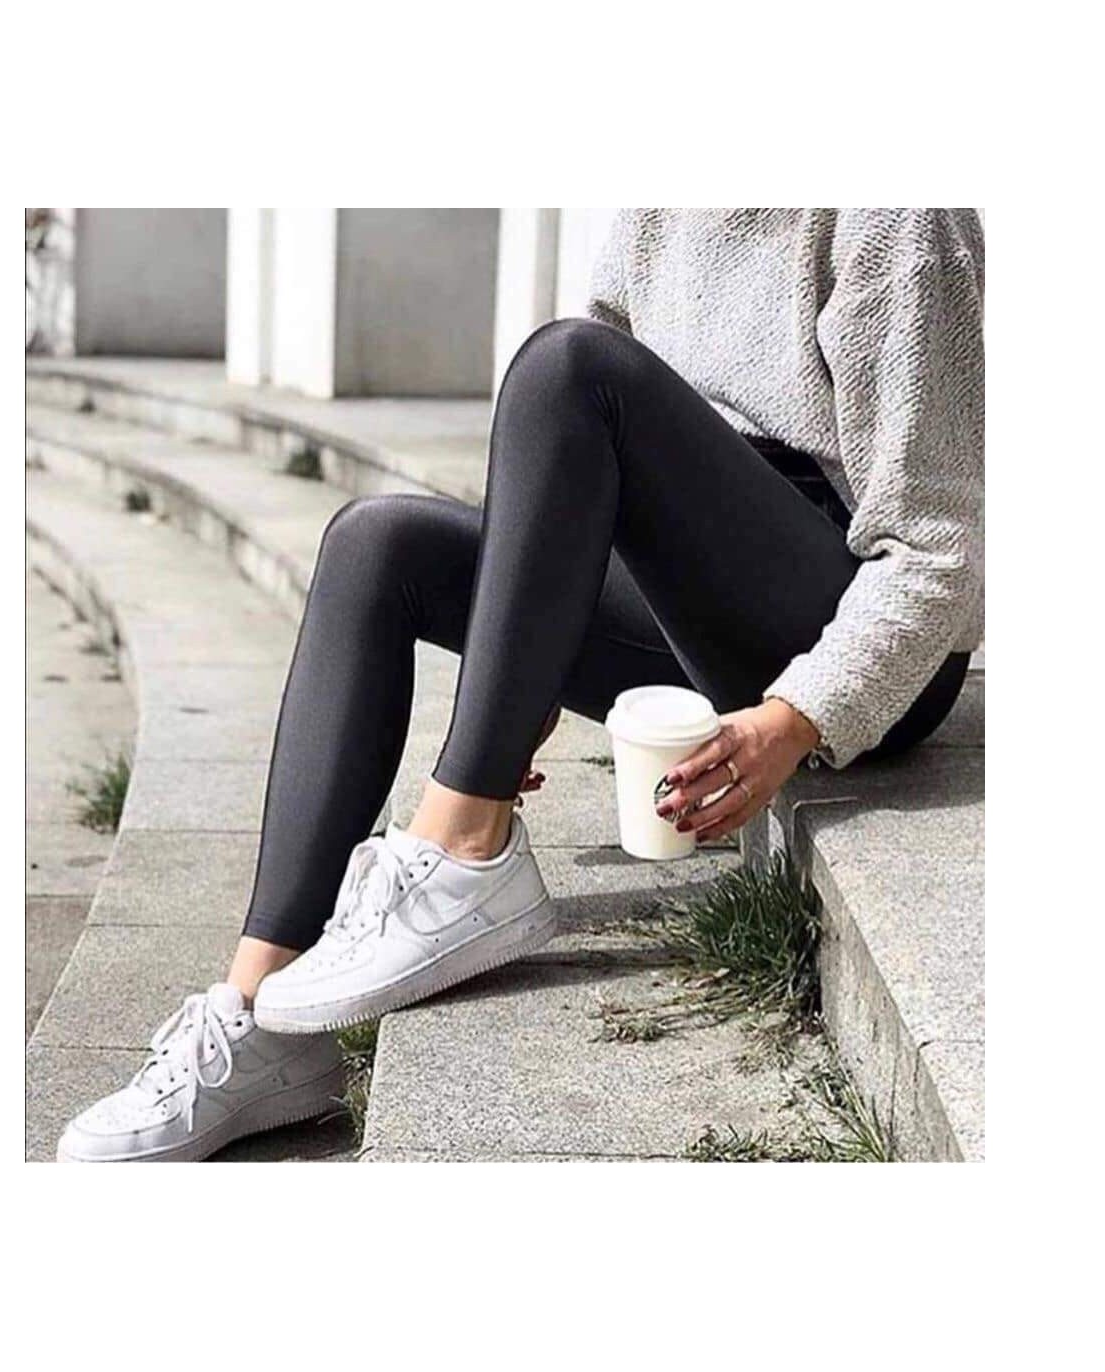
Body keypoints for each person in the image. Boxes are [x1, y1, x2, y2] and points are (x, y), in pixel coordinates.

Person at [56, 208, 984, 1162]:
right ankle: (258, 1020)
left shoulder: (899, 217)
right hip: (692, 597)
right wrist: (522, 665)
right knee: (378, 548)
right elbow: (582, 469)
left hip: (853, 628)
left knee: (568, 365)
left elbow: (938, 552)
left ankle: (464, 852)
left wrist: (794, 718)